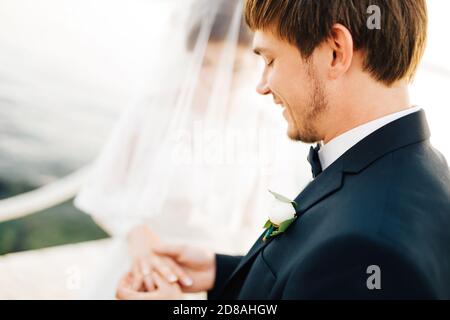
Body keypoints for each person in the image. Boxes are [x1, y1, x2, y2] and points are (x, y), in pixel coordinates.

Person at [116, 0, 450, 300]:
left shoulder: (368, 249)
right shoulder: (419, 169)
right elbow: (313, 276)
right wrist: (223, 272)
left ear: (335, 52)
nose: (262, 86)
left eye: (270, 59)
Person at [75, 0, 305, 299]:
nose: (216, 80)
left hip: (217, 275)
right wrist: (137, 235)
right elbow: (102, 191)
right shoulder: (153, 109)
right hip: (143, 265)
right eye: (206, 64)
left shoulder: (268, 128)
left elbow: (274, 220)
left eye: (234, 68)